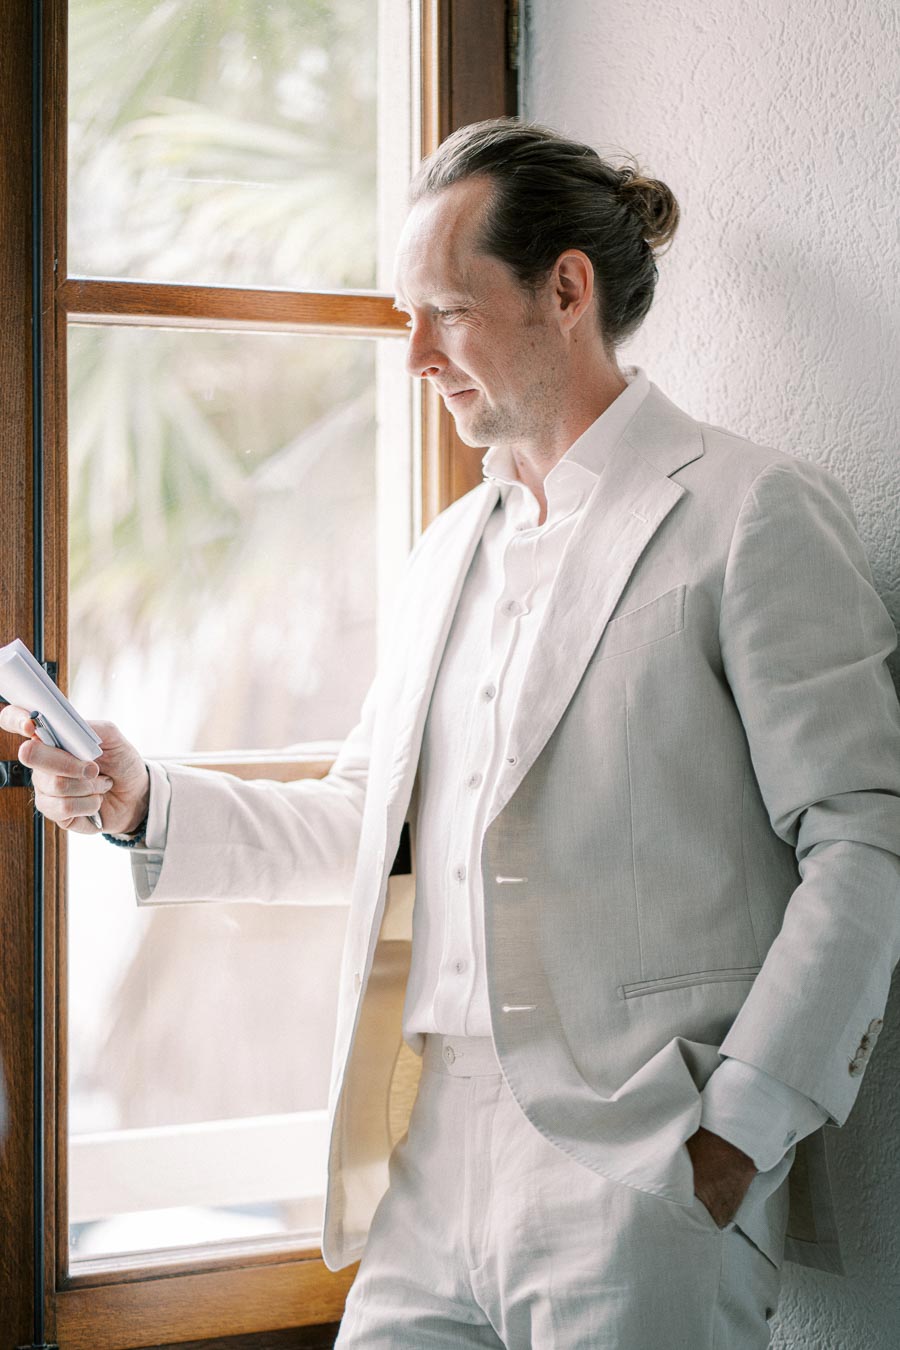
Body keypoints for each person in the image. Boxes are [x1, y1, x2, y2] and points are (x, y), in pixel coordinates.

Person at [4, 119, 900, 1348]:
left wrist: (739, 1131)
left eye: (447, 311)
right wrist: (139, 795)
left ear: (566, 291)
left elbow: (862, 844)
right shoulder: (444, 555)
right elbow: (361, 820)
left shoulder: (749, 513)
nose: (414, 353)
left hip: (644, 1161)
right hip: (426, 1164)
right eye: (402, 315)